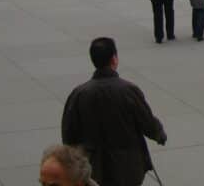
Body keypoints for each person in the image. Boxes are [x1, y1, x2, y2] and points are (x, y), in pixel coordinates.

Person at [62, 37, 166, 186]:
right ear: (114, 59)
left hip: (94, 166)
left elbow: (69, 133)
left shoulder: (79, 94)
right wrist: (158, 133)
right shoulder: (128, 90)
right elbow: (146, 121)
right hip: (127, 165)